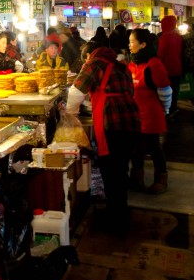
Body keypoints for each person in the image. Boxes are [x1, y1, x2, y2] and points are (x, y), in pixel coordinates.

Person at [66, 40, 141, 235]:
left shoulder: (95, 63)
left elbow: (75, 92)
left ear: (89, 55)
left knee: (111, 169)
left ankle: (115, 220)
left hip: (112, 122)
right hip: (131, 120)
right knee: (121, 167)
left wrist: (70, 115)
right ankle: (120, 211)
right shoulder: (120, 65)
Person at [128, 29, 172, 194]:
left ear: (143, 44)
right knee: (136, 149)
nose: (129, 44)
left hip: (151, 115)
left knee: (154, 148)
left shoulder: (154, 63)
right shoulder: (132, 64)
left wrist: (165, 108)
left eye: (132, 41)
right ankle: (137, 178)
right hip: (135, 116)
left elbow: (165, 89)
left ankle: (161, 179)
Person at [157, 15, 183, 117]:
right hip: (177, 68)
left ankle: (168, 111)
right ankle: (174, 108)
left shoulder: (164, 37)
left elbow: (160, 54)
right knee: (175, 91)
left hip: (167, 69)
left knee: (166, 92)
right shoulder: (178, 36)